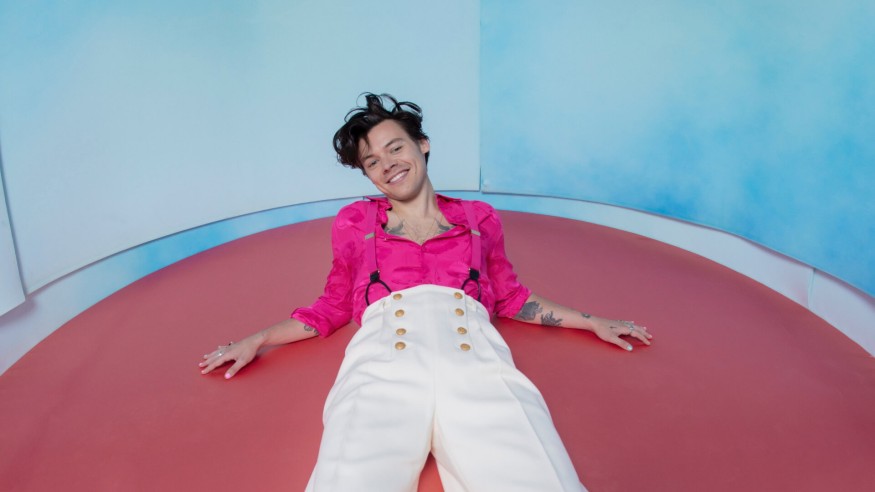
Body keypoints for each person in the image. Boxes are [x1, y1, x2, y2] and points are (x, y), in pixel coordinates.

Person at [199, 93, 652, 491]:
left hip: (477, 364)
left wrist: (592, 321)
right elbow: (332, 304)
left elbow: (511, 297)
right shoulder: (355, 222)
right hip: (381, 369)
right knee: (346, 481)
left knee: (539, 479)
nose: (387, 164)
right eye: (372, 162)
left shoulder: (479, 218)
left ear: (422, 144)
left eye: (395, 148)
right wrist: (259, 339)